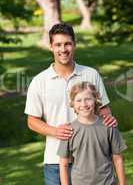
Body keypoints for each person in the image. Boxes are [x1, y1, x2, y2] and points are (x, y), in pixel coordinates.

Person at [24, 23, 117, 185]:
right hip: (55, 160)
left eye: (67, 43)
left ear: (74, 45)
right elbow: (32, 121)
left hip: (92, 159)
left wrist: (108, 119)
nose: (63, 49)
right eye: (58, 44)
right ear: (51, 47)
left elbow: (103, 110)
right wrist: (55, 131)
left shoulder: (91, 74)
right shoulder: (39, 81)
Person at [57, 81, 127, 185]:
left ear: (96, 100)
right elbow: (63, 164)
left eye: (88, 99)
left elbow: (117, 159)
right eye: (79, 100)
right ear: (73, 103)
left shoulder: (109, 126)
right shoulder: (69, 130)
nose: (83, 104)